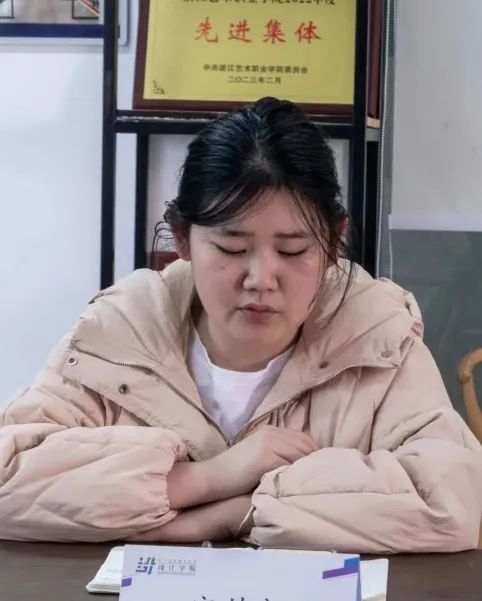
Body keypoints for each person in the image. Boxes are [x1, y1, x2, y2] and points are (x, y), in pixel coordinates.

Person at [1, 97, 481, 553]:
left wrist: (242, 512)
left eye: (293, 251)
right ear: (182, 239)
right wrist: (205, 478)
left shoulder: (375, 334)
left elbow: (453, 501)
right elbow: (9, 475)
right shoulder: (120, 331)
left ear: (333, 244)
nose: (261, 279)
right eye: (232, 248)